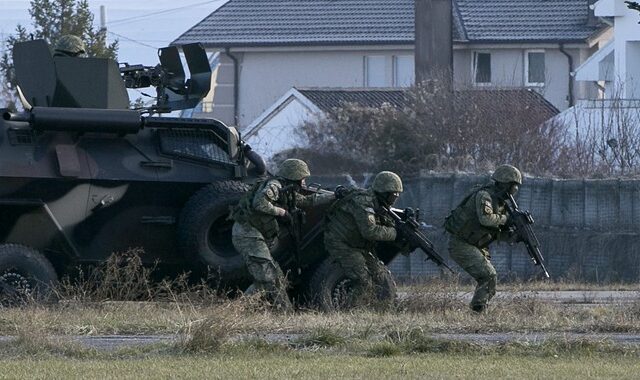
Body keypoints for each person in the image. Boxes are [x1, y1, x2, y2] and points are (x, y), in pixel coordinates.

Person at [230, 159, 334, 312]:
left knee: (278, 279)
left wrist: (334, 195)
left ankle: (286, 313)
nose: (304, 182)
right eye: (303, 178)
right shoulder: (275, 186)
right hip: (248, 234)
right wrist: (282, 212)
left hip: (254, 235)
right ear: (294, 176)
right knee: (266, 278)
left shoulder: (287, 189)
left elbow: (307, 201)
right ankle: (235, 312)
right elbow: (259, 203)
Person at [444, 164, 522, 313]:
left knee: (488, 278)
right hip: (461, 243)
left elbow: (497, 231)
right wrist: (506, 219)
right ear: (506, 184)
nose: (515, 190)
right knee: (489, 275)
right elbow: (486, 220)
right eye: (514, 186)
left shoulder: (500, 204)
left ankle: (479, 309)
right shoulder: (485, 196)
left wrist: (515, 235)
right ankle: (477, 311)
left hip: (476, 245)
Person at [323, 171, 402, 308]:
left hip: (358, 245)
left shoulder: (378, 203)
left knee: (380, 275)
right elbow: (370, 232)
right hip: (341, 244)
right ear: (384, 192)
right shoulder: (364, 202)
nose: (395, 198)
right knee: (363, 280)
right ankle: (351, 310)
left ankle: (383, 310)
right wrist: (395, 233)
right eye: (394, 194)